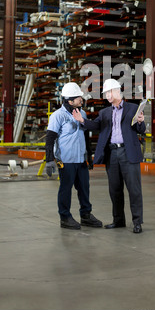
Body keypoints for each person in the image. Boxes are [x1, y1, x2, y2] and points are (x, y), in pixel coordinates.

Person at [72, 78, 146, 233]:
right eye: (105, 93)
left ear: (117, 91)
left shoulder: (133, 108)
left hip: (128, 153)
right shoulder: (105, 112)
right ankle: (118, 220)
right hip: (112, 153)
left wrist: (140, 122)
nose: (107, 95)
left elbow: (140, 129)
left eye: (109, 92)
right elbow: (96, 125)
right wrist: (82, 121)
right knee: (115, 189)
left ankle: (137, 222)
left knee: (134, 189)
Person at [45, 82, 102, 230]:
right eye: (78, 98)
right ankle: (65, 217)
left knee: (84, 188)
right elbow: (50, 138)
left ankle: (86, 215)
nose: (81, 100)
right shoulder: (58, 116)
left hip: (80, 159)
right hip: (66, 160)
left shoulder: (82, 114)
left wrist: (89, 155)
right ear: (70, 101)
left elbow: (86, 136)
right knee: (66, 188)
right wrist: (49, 160)